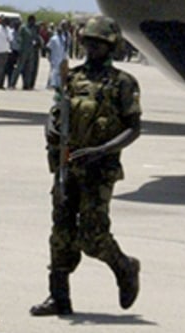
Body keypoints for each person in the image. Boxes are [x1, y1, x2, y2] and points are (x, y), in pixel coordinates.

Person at [31, 17, 142, 317]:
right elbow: (55, 111)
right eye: (88, 42)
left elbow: (133, 128)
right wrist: (51, 128)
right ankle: (59, 297)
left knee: (93, 236)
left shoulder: (122, 83)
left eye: (98, 43)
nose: (91, 47)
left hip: (99, 170)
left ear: (110, 47)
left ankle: (125, 266)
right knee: (61, 233)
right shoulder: (72, 77)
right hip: (67, 167)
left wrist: (101, 150)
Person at [16, 15, 41, 90]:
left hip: (31, 51)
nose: (34, 22)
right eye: (33, 21)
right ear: (30, 20)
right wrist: (19, 49)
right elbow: (19, 38)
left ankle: (27, 85)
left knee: (29, 69)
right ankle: (12, 84)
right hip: (23, 51)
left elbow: (35, 37)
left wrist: (37, 42)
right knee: (19, 68)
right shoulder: (23, 28)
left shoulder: (34, 29)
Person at [47, 21, 70, 90]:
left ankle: (58, 84)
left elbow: (67, 45)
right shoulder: (53, 38)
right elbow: (49, 47)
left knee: (60, 71)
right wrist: (49, 56)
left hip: (62, 55)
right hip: (54, 56)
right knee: (53, 70)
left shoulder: (65, 36)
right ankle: (51, 84)